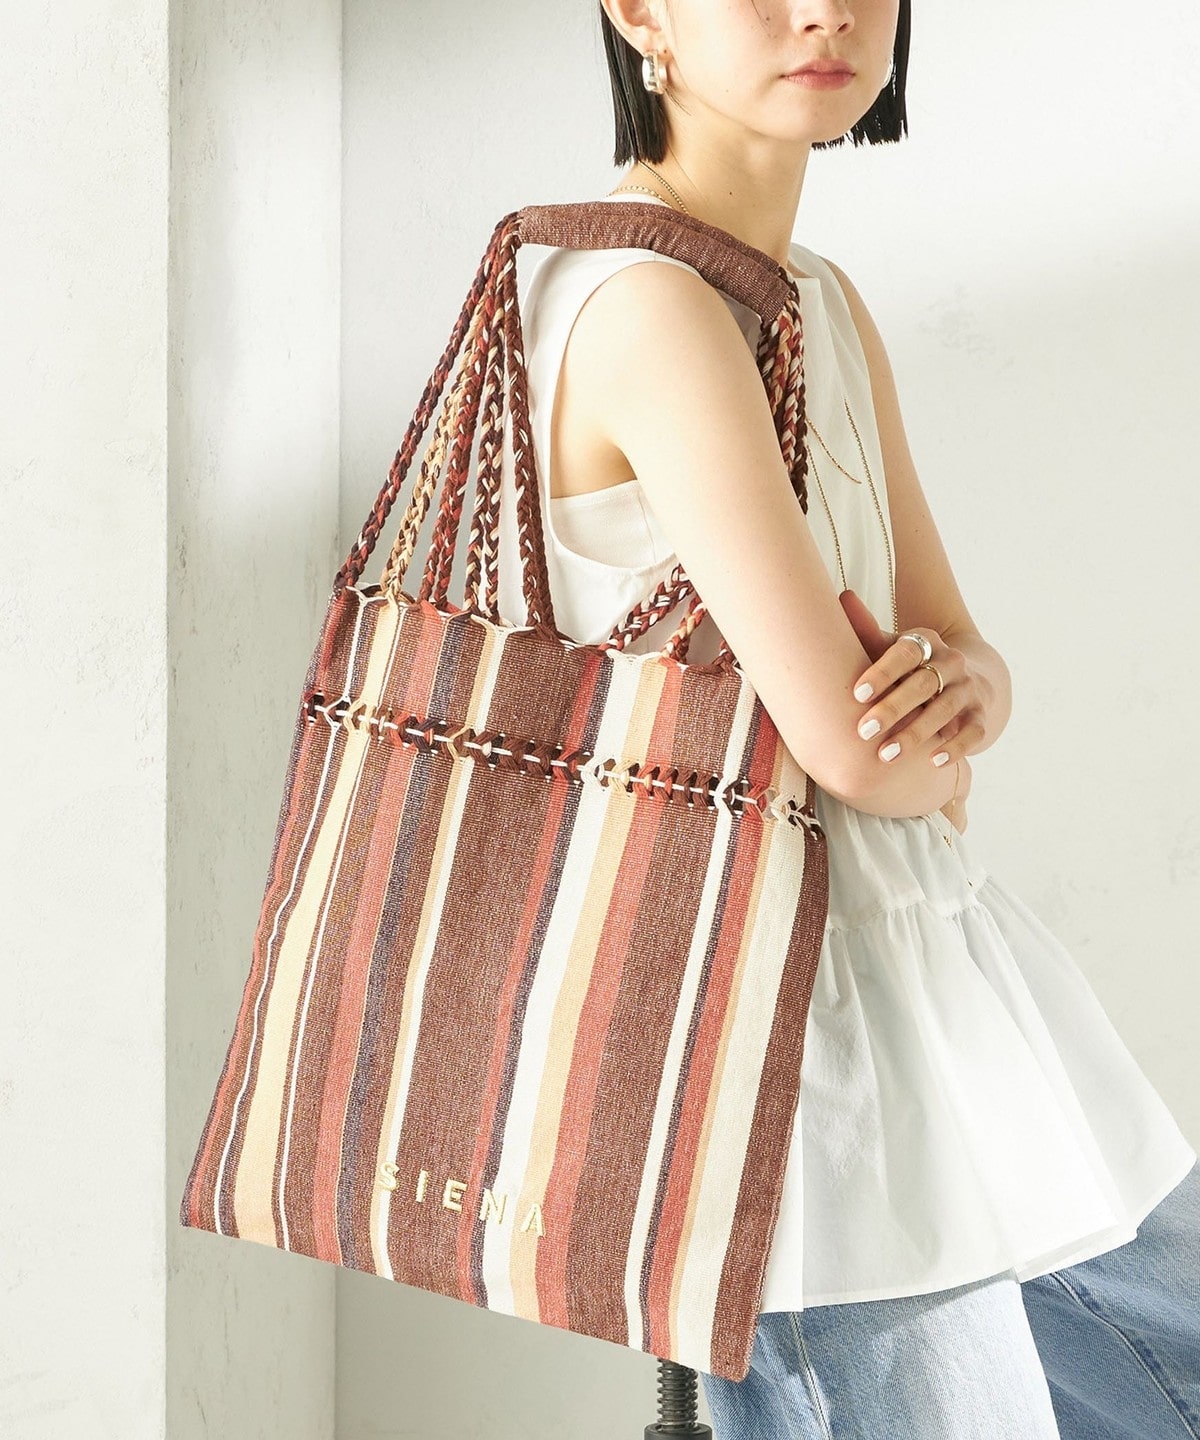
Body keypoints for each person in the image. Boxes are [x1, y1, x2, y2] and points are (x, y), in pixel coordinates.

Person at [496, 1, 1200, 1434]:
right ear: (638, 11)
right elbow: (862, 752)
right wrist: (923, 747)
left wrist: (963, 697)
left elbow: (953, 654)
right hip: (783, 1061)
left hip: (929, 998)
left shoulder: (814, 296)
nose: (822, 9)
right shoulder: (644, 305)